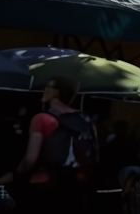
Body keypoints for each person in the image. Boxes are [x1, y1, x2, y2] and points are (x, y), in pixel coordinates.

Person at [13, 77, 95, 212]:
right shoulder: (86, 119)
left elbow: (30, 159)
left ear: (59, 92)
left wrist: (16, 174)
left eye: (50, 87)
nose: (45, 90)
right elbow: (93, 155)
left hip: (44, 185)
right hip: (75, 187)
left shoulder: (42, 119)